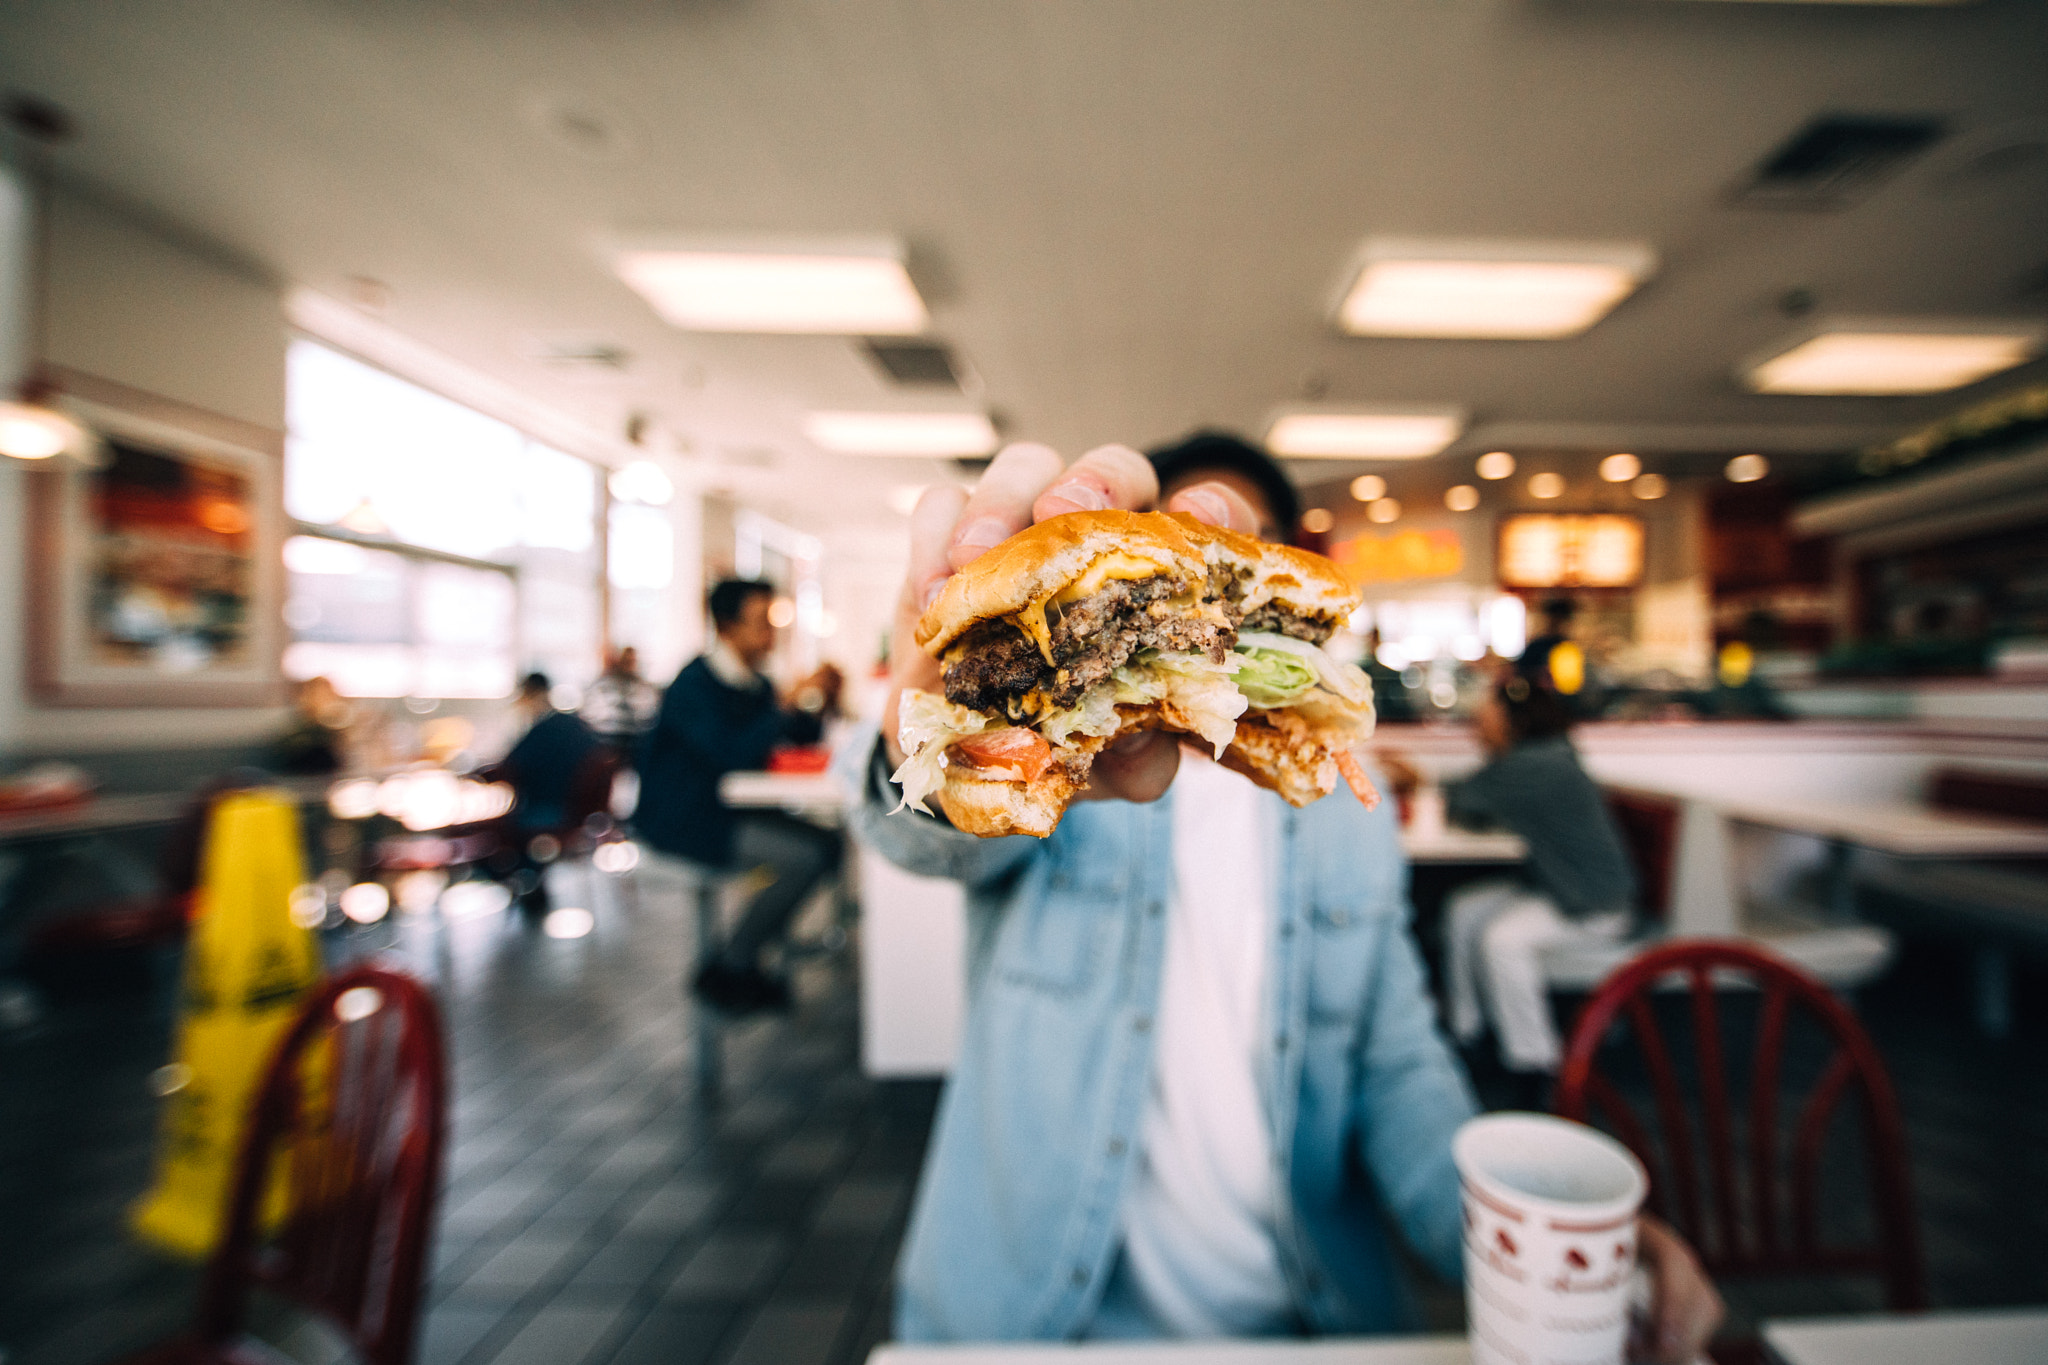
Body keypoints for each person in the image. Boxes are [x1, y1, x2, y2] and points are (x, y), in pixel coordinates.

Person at [843, 435, 1721, 1357]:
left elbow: (1396, 1064)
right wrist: (926, 723)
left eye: (1235, 546)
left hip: (1304, 1329)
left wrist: (1534, 1248)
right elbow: (916, 836)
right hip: (1033, 1329)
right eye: (1167, 545)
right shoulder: (1075, 779)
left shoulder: (1341, 807)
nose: (1200, 564)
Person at [636, 579, 845, 1015]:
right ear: (727, 626)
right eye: (763, 622)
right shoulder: (693, 685)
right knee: (804, 856)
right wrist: (785, 705)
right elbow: (730, 753)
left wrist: (816, 698)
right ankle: (734, 963)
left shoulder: (756, 684)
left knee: (829, 844)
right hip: (688, 821)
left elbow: (798, 735)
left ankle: (750, 959)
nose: (773, 634)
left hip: (734, 812)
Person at [1442, 676, 1638, 1078]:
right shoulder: (1544, 758)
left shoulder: (1536, 763)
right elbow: (1477, 799)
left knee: (1501, 940)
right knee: (1463, 910)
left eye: (1486, 720)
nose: (1477, 729)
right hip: (1558, 889)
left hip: (1593, 905)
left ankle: (1536, 1063)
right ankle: (1469, 1031)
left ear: (1513, 722)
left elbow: (1465, 798)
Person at [481, 671, 602, 916]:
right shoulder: (576, 726)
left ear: (530, 694)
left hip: (549, 811)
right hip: (579, 814)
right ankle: (529, 883)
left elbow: (510, 765)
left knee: (488, 835)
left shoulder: (542, 730)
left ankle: (523, 883)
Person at [581, 646, 662, 754]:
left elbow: (652, 717)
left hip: (637, 745)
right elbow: (589, 715)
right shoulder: (603, 686)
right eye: (627, 660)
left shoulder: (645, 689)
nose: (630, 664)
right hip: (604, 744)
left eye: (633, 660)